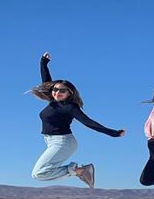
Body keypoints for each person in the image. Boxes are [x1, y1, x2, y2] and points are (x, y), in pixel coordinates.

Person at [29, 52, 125, 188]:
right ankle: (80, 171)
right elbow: (46, 82)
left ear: (70, 93)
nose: (57, 93)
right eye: (55, 90)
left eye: (62, 91)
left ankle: (80, 171)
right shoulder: (53, 101)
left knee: (38, 173)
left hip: (63, 143)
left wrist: (113, 133)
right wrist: (43, 63)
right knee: (40, 173)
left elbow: (88, 122)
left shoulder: (70, 107)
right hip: (52, 142)